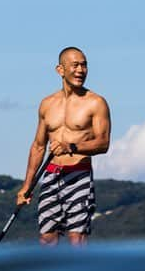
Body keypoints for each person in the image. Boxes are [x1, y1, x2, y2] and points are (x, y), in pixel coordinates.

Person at [16, 47, 111, 246]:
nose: (80, 70)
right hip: (51, 175)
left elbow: (103, 143)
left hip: (79, 174)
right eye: (75, 65)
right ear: (60, 70)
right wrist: (27, 186)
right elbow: (38, 146)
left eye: (84, 65)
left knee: (77, 240)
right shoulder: (47, 104)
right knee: (46, 238)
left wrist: (72, 147)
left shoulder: (96, 103)